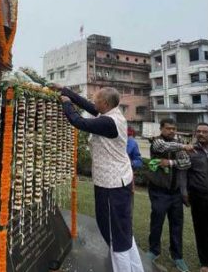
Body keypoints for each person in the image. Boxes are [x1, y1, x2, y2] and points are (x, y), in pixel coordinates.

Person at [52, 83, 144, 272]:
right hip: (116, 182)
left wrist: (66, 103)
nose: (93, 101)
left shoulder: (109, 122)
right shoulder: (110, 114)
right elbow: (88, 106)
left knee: (113, 233)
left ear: (105, 103)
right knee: (123, 231)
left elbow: (79, 122)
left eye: (97, 99)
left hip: (112, 185)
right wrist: (64, 90)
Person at [145, 118, 191, 272]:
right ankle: (153, 251)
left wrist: (170, 163)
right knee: (157, 221)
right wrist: (183, 146)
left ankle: (177, 256)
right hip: (159, 191)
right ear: (161, 129)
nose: (171, 131)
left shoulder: (178, 144)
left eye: (173, 128)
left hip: (176, 192)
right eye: (168, 128)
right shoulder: (156, 142)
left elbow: (186, 163)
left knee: (177, 224)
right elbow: (163, 147)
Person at [186, 123, 208, 272]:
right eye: (198, 131)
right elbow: (184, 173)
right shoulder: (191, 151)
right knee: (201, 231)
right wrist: (185, 192)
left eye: (205, 132)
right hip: (198, 197)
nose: (201, 134)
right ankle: (206, 263)